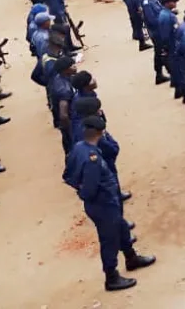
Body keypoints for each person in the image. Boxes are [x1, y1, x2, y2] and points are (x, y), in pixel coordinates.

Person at [63, 115, 155, 291]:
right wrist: (84, 193)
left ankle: (131, 257)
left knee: (121, 228)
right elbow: (89, 189)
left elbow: (67, 175)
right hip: (103, 204)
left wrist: (79, 187)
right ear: (100, 133)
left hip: (106, 203)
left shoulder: (78, 148)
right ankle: (111, 277)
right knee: (109, 240)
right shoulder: (93, 159)